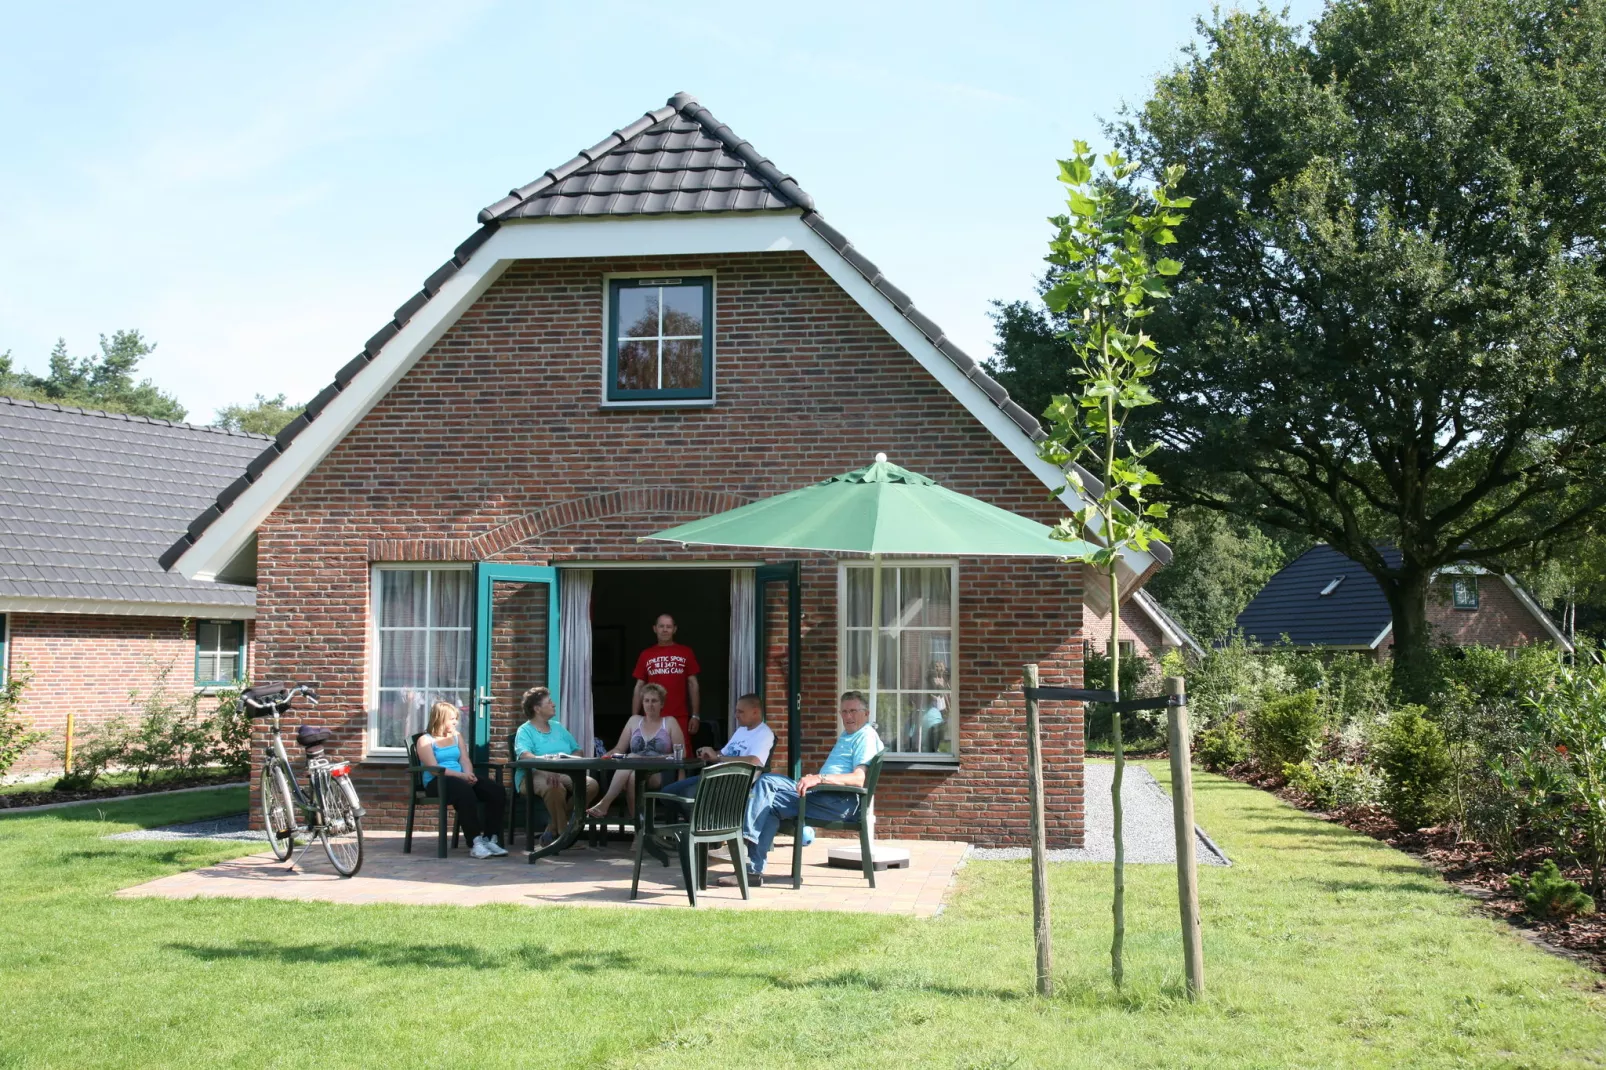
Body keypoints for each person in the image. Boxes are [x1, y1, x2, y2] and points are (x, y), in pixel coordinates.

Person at [722, 690, 883, 887]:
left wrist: (819, 778)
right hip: (824, 795)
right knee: (767, 788)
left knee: (767, 789)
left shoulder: (865, 736)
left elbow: (858, 779)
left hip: (838, 803)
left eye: (853, 711)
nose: (848, 717)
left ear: (866, 714)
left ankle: (747, 846)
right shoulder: (850, 734)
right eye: (844, 712)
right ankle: (751, 868)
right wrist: (815, 780)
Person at [417, 700, 507, 859]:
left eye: (456, 718)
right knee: (464, 791)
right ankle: (475, 842)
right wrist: (462, 776)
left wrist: (469, 775)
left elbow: (464, 759)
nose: (455, 722)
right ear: (440, 718)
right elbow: (434, 768)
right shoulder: (425, 740)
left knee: (496, 791)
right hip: (436, 782)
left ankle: (489, 838)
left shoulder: (457, 736)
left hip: (460, 778)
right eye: (452, 719)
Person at [513, 686, 600, 847]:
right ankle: (564, 836)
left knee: (590, 785)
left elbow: (577, 750)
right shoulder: (525, 731)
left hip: (563, 772)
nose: (553, 705)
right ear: (537, 708)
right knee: (555, 788)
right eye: (549, 702)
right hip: (533, 775)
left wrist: (569, 762)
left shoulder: (558, 727)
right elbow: (525, 755)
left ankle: (552, 829)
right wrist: (546, 769)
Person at [587, 683, 686, 819]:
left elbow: (682, 753)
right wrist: (608, 754)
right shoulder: (634, 721)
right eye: (646, 701)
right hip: (634, 771)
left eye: (654, 701)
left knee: (632, 760)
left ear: (662, 704)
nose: (650, 705)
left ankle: (605, 804)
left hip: (660, 772)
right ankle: (639, 827)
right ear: (642, 703)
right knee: (633, 775)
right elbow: (619, 748)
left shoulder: (669, 722)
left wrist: (647, 759)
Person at [658, 693, 774, 802]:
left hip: (733, 782)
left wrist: (718, 758)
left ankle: (701, 822)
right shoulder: (742, 730)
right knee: (668, 792)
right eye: (736, 711)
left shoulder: (764, 733)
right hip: (714, 776)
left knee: (687, 794)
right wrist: (710, 753)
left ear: (755, 712)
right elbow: (724, 753)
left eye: (740, 712)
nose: (736, 716)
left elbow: (755, 761)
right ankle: (691, 820)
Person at [631, 614, 701, 747]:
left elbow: (693, 684)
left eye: (668, 627)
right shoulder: (646, 654)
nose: (665, 630)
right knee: (651, 753)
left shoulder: (685, 652)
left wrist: (695, 715)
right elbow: (639, 686)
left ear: (674, 629)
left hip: (679, 715)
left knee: (681, 755)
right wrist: (634, 718)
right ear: (655, 629)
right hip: (651, 716)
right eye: (661, 626)